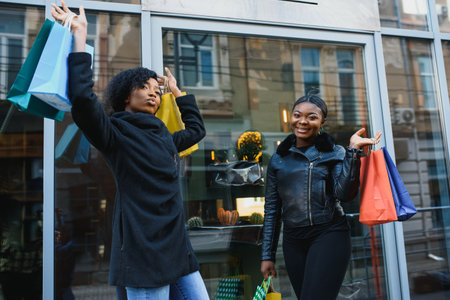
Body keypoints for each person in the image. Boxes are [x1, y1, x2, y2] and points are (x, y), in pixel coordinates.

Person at [51, 1, 209, 299]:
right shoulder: (115, 133)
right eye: (145, 87)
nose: (153, 93)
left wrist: (176, 91)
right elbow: (83, 100)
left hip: (177, 246)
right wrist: (80, 36)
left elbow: (196, 131)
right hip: (143, 250)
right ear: (125, 96)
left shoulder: (162, 135)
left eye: (155, 89)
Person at [260, 90, 382, 300]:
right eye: (297, 115)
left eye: (312, 117)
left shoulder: (335, 152)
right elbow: (272, 209)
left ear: (322, 121)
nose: (303, 121)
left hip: (329, 233)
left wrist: (353, 152)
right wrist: (267, 255)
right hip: (293, 240)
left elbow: (344, 195)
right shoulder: (278, 159)